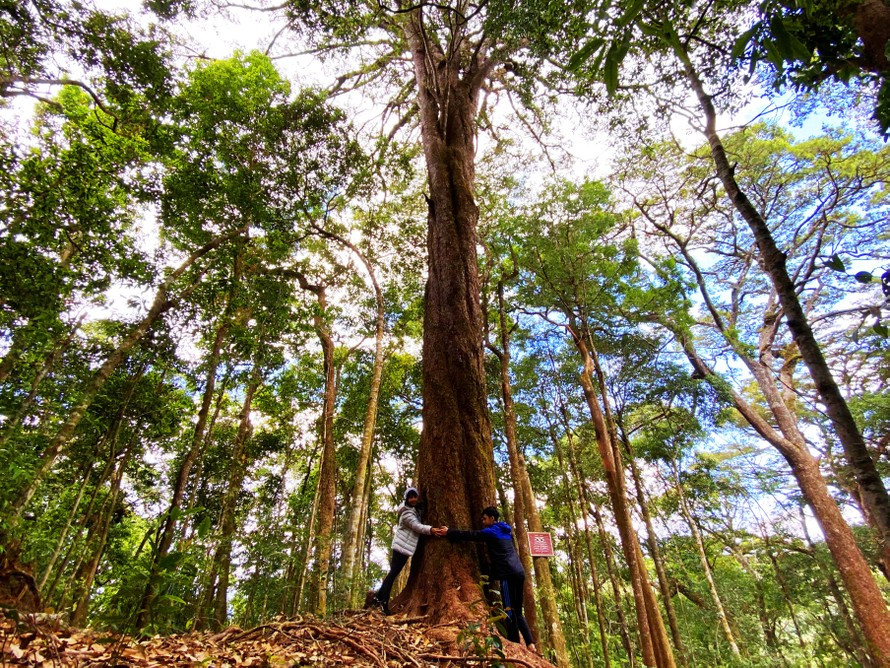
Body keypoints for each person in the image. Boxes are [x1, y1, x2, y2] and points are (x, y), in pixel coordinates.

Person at [444, 506, 537, 653]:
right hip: (519, 572)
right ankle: (531, 644)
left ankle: (515, 643)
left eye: (485, 518)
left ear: (492, 519)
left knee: (508, 609)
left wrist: (449, 532)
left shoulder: (491, 531)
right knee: (518, 611)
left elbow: (471, 535)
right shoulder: (506, 530)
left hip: (507, 575)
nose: (483, 521)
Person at [373, 487, 444, 615]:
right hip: (400, 548)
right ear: (406, 499)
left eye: (414, 497)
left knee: (393, 573)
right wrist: (431, 529)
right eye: (410, 497)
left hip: (404, 548)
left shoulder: (413, 509)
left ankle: (379, 597)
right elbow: (416, 526)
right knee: (393, 573)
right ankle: (382, 602)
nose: (413, 499)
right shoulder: (406, 513)